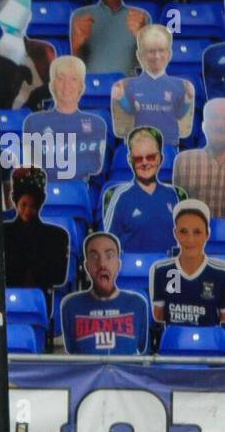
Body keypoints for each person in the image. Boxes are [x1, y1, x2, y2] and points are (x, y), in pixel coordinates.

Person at [60, 233, 150, 355]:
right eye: (94, 257)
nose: (102, 263)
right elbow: (72, 351)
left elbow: (143, 349)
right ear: (87, 266)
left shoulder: (137, 304)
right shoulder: (71, 305)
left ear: (118, 264)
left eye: (109, 256)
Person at [22, 55, 109, 182]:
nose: (66, 85)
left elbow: (97, 169)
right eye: (60, 78)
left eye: (73, 79)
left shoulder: (97, 124)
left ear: (81, 87)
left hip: (80, 193)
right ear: (52, 85)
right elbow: (29, 167)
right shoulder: (33, 122)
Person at [103, 127, 186, 256]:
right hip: (133, 273)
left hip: (168, 272)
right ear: (130, 161)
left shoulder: (173, 195)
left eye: (151, 157)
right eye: (138, 159)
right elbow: (109, 245)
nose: (145, 163)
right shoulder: (121, 197)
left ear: (160, 158)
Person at [0, 0, 56, 112]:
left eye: (22, 9)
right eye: (11, 9)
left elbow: (52, 90)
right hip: (1, 121)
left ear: (29, 15)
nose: (17, 16)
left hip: (35, 121)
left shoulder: (43, 50)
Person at [111, 24, 195, 146]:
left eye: (161, 50)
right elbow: (130, 110)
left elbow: (179, 114)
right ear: (140, 55)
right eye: (151, 51)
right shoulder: (130, 85)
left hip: (169, 144)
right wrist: (121, 97)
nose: (157, 56)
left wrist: (188, 99)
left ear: (169, 54)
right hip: (141, 145)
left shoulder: (180, 86)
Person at [70, 0, 150, 77]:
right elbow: (75, 69)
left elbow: (150, 68)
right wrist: (77, 45)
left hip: (127, 93)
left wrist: (142, 39)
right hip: (92, 92)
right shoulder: (80, 16)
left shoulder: (141, 17)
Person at [150, 200, 225, 329]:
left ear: (207, 234)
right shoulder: (163, 270)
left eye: (197, 232)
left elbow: (223, 319)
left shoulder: (221, 273)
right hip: (174, 345)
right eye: (184, 232)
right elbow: (159, 315)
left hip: (208, 345)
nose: (190, 240)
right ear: (175, 233)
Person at [0, 167, 71, 293]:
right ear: (16, 201)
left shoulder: (56, 236)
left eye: (33, 206)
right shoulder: (3, 232)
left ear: (40, 204)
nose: (27, 211)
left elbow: (57, 276)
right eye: (24, 205)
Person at [172, 98, 225, 217]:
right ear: (203, 126)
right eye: (214, 118)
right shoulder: (184, 161)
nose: (220, 125)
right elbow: (178, 210)